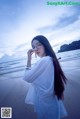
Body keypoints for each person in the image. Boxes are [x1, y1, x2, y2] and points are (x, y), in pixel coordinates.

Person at [23, 35, 68, 119]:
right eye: (33, 46)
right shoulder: (51, 59)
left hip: (45, 102)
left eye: (38, 44)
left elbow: (26, 77)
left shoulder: (44, 60)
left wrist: (29, 59)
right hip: (52, 99)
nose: (35, 49)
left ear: (45, 45)